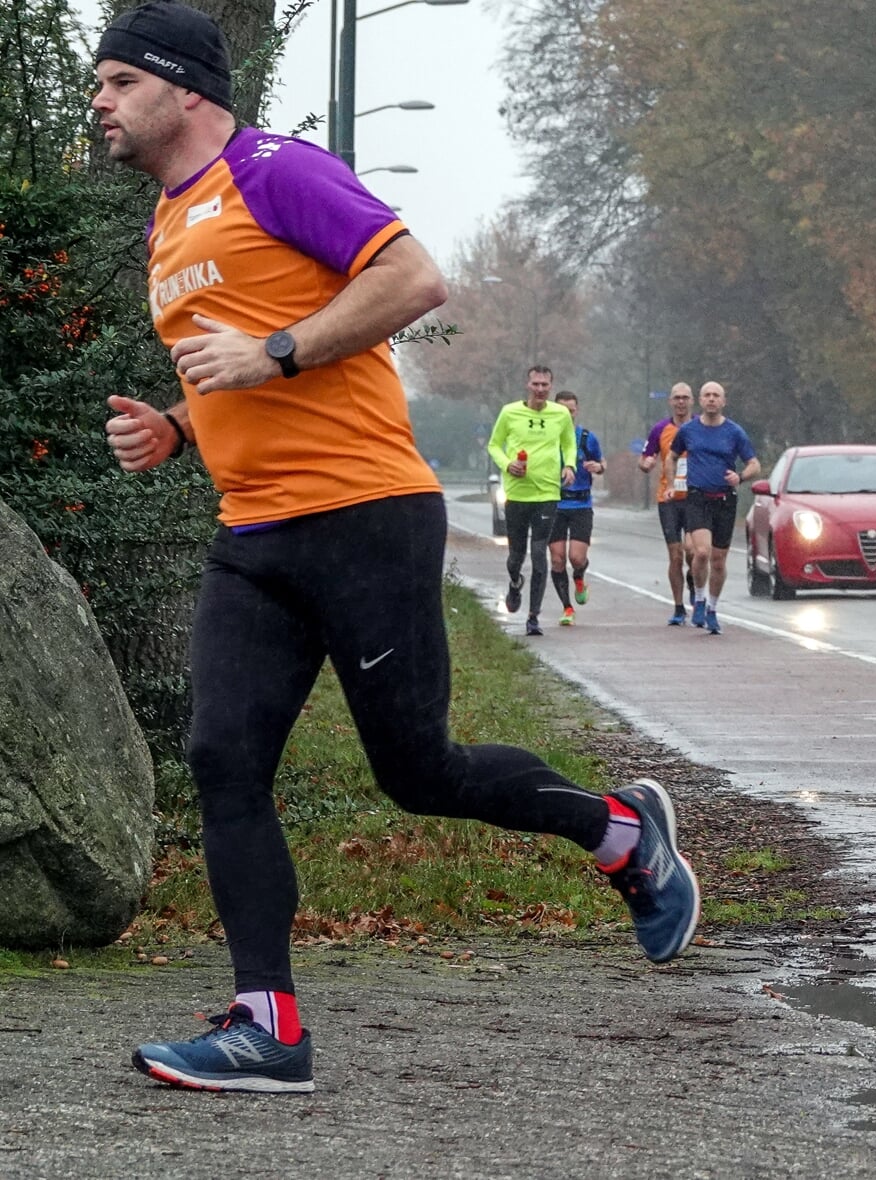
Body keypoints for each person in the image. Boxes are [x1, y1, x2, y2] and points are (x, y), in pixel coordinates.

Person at [94, 1, 698, 1094]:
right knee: (222, 758)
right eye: (95, 84)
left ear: (184, 91)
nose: (101, 101)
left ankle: (621, 834)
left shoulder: (276, 172)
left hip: (366, 515)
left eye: (119, 82)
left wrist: (277, 351)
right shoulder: (167, 225)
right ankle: (266, 1024)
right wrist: (178, 427)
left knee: (417, 770)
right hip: (253, 535)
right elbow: (222, 363)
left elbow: (414, 278)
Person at [488, 367, 575, 635]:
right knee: (516, 555)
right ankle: (515, 582)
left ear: (551, 386)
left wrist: (569, 466)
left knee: (539, 554)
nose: (540, 389)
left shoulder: (560, 414)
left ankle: (533, 616)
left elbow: (568, 444)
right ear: (528, 385)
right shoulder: (510, 412)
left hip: (547, 494)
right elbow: (494, 445)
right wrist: (507, 464)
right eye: (535, 384)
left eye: (545, 385)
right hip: (517, 494)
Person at [670, 381, 760, 635]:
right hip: (697, 497)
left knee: (719, 562)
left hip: (725, 499)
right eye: (707, 395)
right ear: (700, 400)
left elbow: (754, 463)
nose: (711, 399)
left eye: (716, 396)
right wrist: (671, 483)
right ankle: (698, 598)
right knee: (701, 552)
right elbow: (672, 455)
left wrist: (740, 477)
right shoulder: (688, 430)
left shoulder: (734, 432)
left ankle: (712, 608)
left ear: (723, 401)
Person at [640, 383, 697, 624]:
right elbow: (646, 457)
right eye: (677, 398)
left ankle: (694, 581)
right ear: (670, 402)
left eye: (685, 398)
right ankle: (678, 607)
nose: (681, 402)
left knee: (693, 552)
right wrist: (646, 464)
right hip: (669, 499)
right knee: (675, 556)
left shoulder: (700, 427)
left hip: (696, 497)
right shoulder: (660, 429)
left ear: (692, 401)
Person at [549, 390, 604, 626]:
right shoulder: (547, 438)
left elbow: (602, 464)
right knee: (558, 558)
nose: (567, 415)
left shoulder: (586, 438)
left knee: (576, 557)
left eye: (571, 410)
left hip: (581, 503)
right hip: (554, 503)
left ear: (576, 411)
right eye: (562, 410)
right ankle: (567, 607)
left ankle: (579, 576)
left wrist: (597, 467)